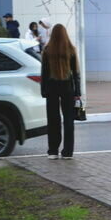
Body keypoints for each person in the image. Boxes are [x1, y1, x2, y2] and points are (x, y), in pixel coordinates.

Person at [41, 24, 81, 160]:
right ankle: (68, 152)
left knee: (53, 119)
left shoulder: (47, 50)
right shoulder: (71, 49)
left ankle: (53, 151)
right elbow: (76, 73)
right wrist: (78, 92)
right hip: (68, 88)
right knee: (69, 120)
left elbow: (44, 74)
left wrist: (43, 91)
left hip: (51, 87)